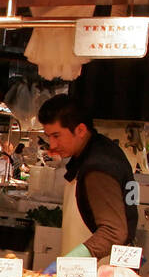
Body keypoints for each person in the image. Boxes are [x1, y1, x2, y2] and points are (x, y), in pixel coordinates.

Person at [38, 95, 136, 260]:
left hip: (99, 274)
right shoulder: (100, 149)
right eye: (49, 137)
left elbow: (114, 233)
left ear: (81, 130)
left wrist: (72, 260)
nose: (52, 144)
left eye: (57, 136)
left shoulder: (98, 168)